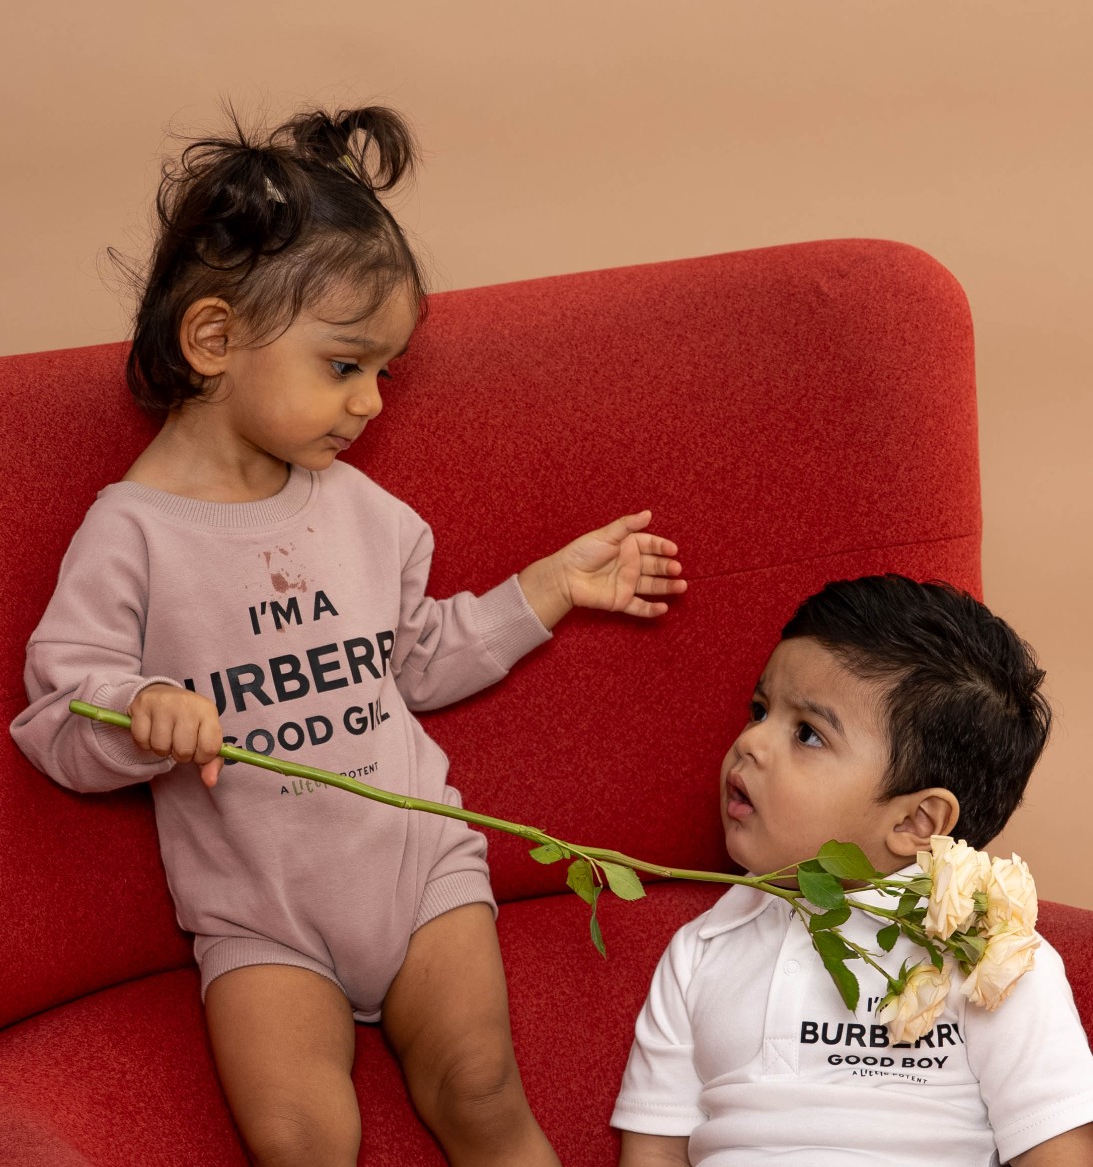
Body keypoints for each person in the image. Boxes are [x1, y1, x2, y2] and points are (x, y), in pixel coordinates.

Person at [10, 104, 687, 1167]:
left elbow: (413, 659)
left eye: (385, 372)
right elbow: (56, 714)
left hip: (416, 868)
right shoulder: (131, 534)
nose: (370, 402)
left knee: (479, 1083)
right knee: (300, 1136)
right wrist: (140, 712)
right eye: (343, 366)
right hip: (261, 915)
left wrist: (547, 588)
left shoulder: (367, 513)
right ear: (215, 340)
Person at [612, 575, 1093, 1166]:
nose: (751, 742)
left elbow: (1059, 1153)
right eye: (759, 710)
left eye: (807, 734)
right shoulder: (701, 950)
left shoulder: (992, 957)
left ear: (916, 821)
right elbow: (653, 1152)